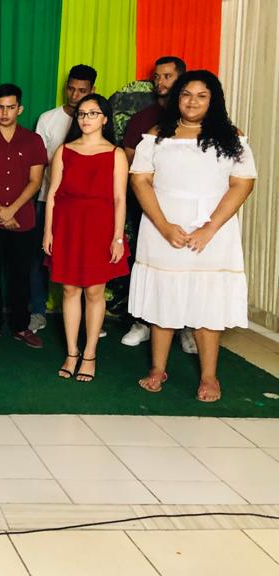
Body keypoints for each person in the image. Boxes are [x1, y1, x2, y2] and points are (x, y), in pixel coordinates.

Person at [130, 70, 256, 403]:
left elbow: (242, 183)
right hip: (163, 228)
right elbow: (140, 180)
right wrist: (164, 225)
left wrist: (209, 228)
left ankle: (209, 376)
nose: (192, 101)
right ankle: (158, 369)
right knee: (163, 299)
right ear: (177, 97)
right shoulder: (157, 135)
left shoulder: (232, 137)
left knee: (207, 303)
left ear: (213, 100)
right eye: (186, 94)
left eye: (202, 95)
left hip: (213, 232)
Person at [43, 94, 129, 382]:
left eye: (93, 113)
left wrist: (117, 237)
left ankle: (90, 354)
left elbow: (120, 198)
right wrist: (48, 231)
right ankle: (72, 352)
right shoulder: (64, 151)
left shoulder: (116, 154)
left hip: (100, 228)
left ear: (105, 119)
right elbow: (53, 195)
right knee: (69, 290)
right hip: (68, 226)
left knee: (94, 292)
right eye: (82, 113)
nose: (86, 118)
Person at [119, 56, 193, 349]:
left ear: (181, 78)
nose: (160, 82)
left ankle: (186, 325)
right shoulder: (142, 118)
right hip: (147, 205)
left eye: (167, 76)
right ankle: (143, 322)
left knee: (186, 263)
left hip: (187, 206)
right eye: (157, 77)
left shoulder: (196, 119)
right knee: (146, 261)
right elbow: (129, 160)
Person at [0, 83, 48, 349]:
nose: (5, 113)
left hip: (22, 219)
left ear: (19, 109)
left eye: (10, 107)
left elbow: (36, 181)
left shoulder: (33, 141)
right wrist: (0, 211)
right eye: (0, 107)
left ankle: (21, 326)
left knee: (20, 274)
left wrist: (11, 210)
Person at [30, 64, 98, 333]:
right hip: (47, 199)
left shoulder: (95, 120)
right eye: (71, 88)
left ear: (92, 90)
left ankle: (84, 317)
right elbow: (38, 162)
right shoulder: (48, 119)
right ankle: (37, 311)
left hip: (83, 206)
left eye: (81, 90)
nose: (74, 95)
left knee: (81, 259)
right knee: (39, 257)